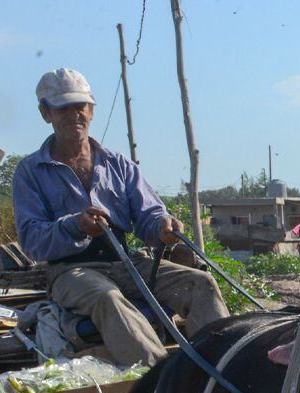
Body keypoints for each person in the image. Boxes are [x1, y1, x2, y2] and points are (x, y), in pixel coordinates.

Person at [12, 68, 228, 367]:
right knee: (109, 299)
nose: (74, 114)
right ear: (45, 113)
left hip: (127, 262)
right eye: (63, 107)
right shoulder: (30, 172)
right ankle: (159, 379)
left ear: (91, 110)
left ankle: (221, 371)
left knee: (200, 283)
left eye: (81, 106)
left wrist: (163, 226)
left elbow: (149, 215)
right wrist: (76, 225)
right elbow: (32, 240)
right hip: (71, 272)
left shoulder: (118, 164)